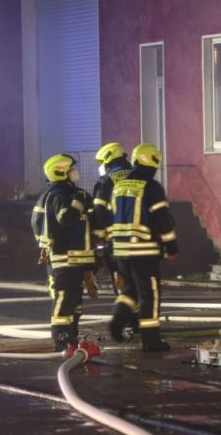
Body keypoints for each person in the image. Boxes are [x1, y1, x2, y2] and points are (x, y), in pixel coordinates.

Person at [109, 143, 178, 352]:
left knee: (130, 289)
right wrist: (171, 246)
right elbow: (162, 219)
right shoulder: (151, 186)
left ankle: (118, 320)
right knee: (150, 294)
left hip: (120, 250)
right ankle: (151, 340)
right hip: (144, 250)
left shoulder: (119, 185)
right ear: (152, 162)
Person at [31, 153, 97, 352]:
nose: (75, 172)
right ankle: (61, 340)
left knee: (74, 303)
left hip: (75, 259)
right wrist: (78, 202)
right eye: (71, 169)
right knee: (63, 300)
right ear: (61, 172)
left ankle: (71, 339)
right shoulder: (58, 196)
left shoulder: (69, 194)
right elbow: (66, 219)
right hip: (63, 259)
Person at [91, 142, 137, 340]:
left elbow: (99, 213)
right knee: (141, 284)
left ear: (108, 159)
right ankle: (140, 323)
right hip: (143, 241)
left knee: (122, 284)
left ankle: (125, 321)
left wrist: (98, 240)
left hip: (117, 243)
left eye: (101, 162)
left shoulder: (106, 181)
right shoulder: (137, 175)